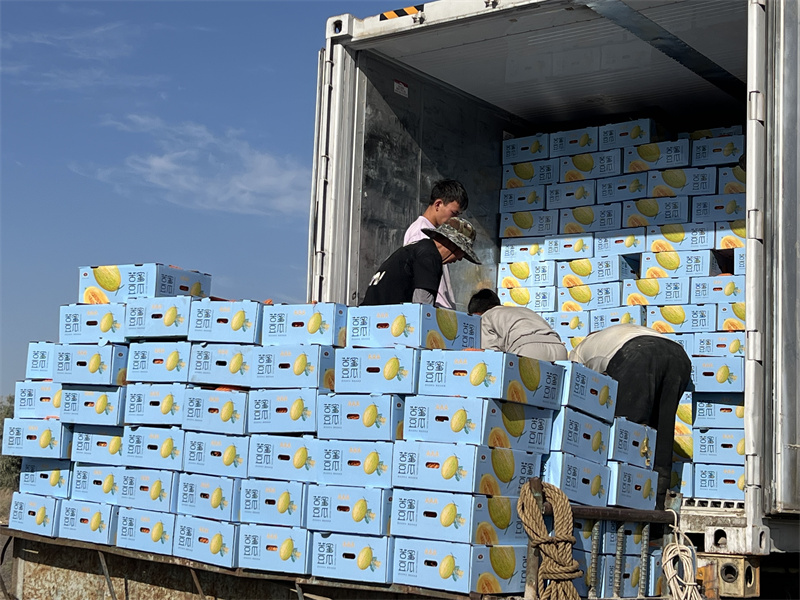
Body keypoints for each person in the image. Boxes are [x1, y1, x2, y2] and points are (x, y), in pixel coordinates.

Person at [569, 323, 692, 510]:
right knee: (662, 433)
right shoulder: (617, 334)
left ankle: (627, 504)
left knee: (629, 433)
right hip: (679, 357)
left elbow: (577, 398)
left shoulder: (579, 352)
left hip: (636, 355)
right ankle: (658, 505)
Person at [361, 216, 480, 306]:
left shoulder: (416, 249)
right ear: (453, 244)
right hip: (386, 322)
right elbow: (422, 307)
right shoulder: (430, 255)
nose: (460, 258)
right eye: (462, 253)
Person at [404, 180, 470, 308]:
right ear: (438, 204)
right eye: (454, 213)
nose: (455, 219)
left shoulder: (433, 233)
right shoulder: (420, 233)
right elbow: (422, 282)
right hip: (434, 308)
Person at [468, 289, 568, 361]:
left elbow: (490, 356)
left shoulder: (485, 317)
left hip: (529, 350)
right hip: (559, 349)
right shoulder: (524, 310)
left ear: (476, 314)